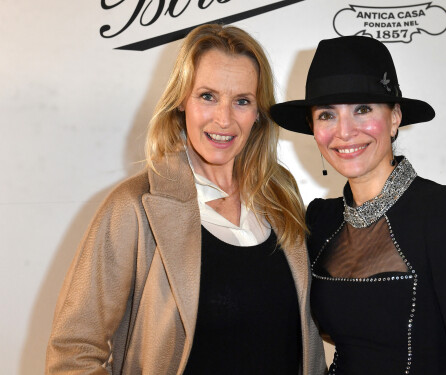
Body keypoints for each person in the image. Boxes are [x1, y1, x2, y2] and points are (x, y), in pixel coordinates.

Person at [46, 24, 325, 375]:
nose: (223, 119)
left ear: (258, 113)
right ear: (181, 100)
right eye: (207, 96)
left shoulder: (280, 195)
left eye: (242, 101)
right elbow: (74, 351)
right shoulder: (135, 206)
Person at [270, 36, 446, 375]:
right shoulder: (320, 222)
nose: (345, 131)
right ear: (313, 128)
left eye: (363, 110)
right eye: (327, 115)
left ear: (395, 117)